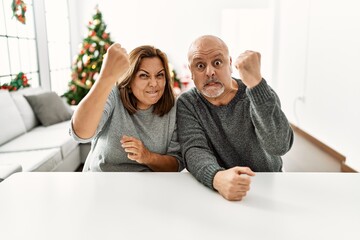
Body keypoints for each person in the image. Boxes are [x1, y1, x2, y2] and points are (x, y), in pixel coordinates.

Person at [176, 35, 294, 201]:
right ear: (191, 72)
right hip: (217, 191)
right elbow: (194, 149)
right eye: (200, 66)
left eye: (217, 63)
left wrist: (256, 85)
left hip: (268, 186)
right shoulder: (187, 103)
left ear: (229, 64)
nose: (210, 72)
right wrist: (217, 178)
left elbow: (280, 146)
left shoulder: (257, 91)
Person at [70, 43, 184, 172]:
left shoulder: (174, 108)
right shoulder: (113, 96)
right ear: (129, 81)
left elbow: (176, 164)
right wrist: (105, 77)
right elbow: (80, 134)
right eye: (144, 75)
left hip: (147, 186)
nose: (154, 83)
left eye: (159, 75)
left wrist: (148, 157)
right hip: (102, 182)